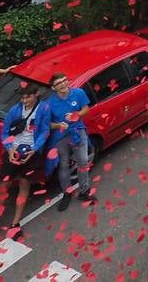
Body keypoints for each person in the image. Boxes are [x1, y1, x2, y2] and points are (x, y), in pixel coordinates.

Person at [0, 84, 50, 246]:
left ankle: (15, 223)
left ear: (36, 94)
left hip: (31, 153)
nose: (24, 100)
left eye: (28, 97)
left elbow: (45, 131)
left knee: (24, 185)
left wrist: (34, 149)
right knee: (2, 187)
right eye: (23, 97)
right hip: (13, 151)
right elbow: (5, 132)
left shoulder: (44, 108)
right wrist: (9, 149)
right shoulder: (14, 110)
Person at [45, 72, 95, 211]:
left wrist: (77, 114)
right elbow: (47, 124)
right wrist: (58, 125)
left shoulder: (78, 93)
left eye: (65, 80)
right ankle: (67, 193)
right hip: (60, 137)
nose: (63, 84)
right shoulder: (49, 103)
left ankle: (84, 191)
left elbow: (86, 108)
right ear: (53, 88)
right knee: (64, 165)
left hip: (78, 132)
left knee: (83, 162)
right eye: (59, 83)